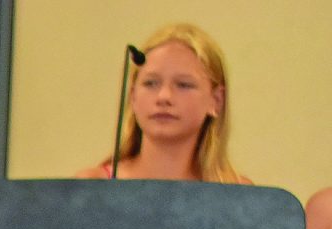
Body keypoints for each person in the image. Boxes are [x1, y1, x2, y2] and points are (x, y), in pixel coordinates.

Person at [74, 23, 249, 183]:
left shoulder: (238, 192)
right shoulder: (92, 185)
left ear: (216, 100)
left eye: (183, 85)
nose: (164, 97)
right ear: (133, 96)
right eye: (150, 83)